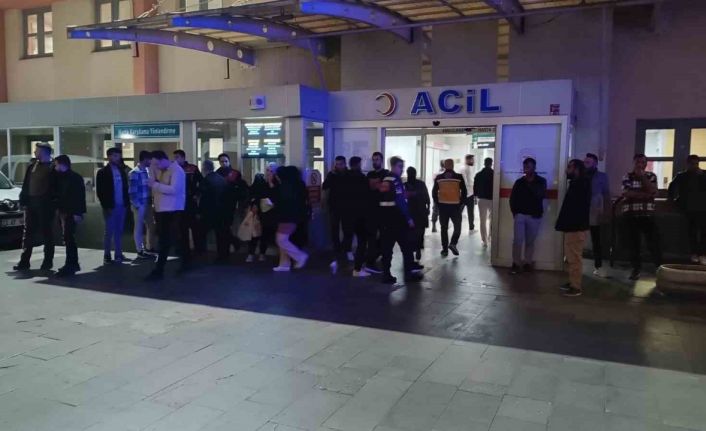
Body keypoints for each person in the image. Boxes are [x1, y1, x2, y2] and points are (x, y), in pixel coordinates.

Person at [379, 157, 423, 284]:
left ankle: (386, 274)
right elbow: (400, 201)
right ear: (393, 166)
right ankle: (409, 274)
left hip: (385, 219)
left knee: (387, 249)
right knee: (407, 247)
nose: (402, 169)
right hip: (397, 219)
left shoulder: (385, 179)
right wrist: (408, 218)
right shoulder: (396, 180)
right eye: (400, 166)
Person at [145, 150, 187, 281]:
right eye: (153, 164)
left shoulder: (177, 171)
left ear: (164, 160)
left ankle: (163, 268)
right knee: (166, 240)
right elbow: (153, 182)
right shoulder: (158, 170)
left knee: (170, 240)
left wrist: (155, 185)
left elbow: (174, 190)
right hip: (161, 210)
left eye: (157, 164)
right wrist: (152, 171)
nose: (155, 166)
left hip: (172, 210)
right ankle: (165, 268)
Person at [14, 142, 56, 271]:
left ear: (44, 152)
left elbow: (55, 188)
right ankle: (24, 261)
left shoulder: (52, 167)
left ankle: (47, 262)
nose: (34, 152)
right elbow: (26, 184)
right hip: (31, 203)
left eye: (37, 151)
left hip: (45, 205)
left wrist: (53, 203)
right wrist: (23, 200)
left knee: (47, 233)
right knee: (28, 233)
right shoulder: (32, 166)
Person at [621, 153, 662, 280]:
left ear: (645, 164)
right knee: (634, 244)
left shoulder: (651, 176)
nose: (640, 164)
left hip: (647, 214)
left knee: (653, 242)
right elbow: (626, 193)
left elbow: (653, 191)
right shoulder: (627, 176)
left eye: (642, 162)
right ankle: (636, 269)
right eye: (637, 162)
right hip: (631, 214)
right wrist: (645, 194)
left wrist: (642, 178)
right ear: (634, 163)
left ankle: (659, 268)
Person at [556, 159, 591, 297]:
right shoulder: (578, 183)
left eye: (569, 167)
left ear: (576, 169)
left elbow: (576, 208)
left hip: (575, 227)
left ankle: (576, 286)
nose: (566, 170)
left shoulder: (581, 184)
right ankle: (572, 282)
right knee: (571, 257)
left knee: (574, 257)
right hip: (573, 226)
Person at [509, 157, 547, 274]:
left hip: (534, 216)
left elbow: (540, 195)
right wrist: (515, 213)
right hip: (520, 215)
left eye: (528, 167)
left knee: (530, 241)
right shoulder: (519, 182)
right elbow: (512, 198)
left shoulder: (541, 181)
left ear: (534, 167)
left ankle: (527, 263)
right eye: (525, 167)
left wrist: (530, 182)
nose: (526, 169)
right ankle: (516, 263)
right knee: (517, 241)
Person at [668, 155, 706, 264]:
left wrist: (703, 176)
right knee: (692, 232)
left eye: (696, 164)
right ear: (687, 164)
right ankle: (694, 253)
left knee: (704, 232)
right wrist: (673, 201)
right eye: (692, 164)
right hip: (689, 208)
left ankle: (703, 254)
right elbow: (671, 188)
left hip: (703, 207)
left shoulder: (704, 174)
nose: (695, 166)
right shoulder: (682, 176)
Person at [52, 155, 86, 277]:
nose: (55, 167)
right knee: (67, 237)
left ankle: (71, 263)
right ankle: (72, 263)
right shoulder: (61, 177)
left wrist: (78, 213)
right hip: (64, 211)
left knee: (69, 237)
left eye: (56, 165)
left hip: (70, 211)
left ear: (62, 165)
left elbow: (79, 197)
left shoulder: (74, 178)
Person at [96, 147, 130, 264]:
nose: (118, 158)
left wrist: (126, 203)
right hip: (110, 206)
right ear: (109, 157)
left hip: (122, 205)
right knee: (109, 231)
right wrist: (106, 206)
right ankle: (107, 255)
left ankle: (118, 254)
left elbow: (125, 188)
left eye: (119, 156)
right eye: (115, 156)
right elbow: (100, 192)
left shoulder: (122, 171)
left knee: (119, 231)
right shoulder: (102, 172)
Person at [272, 166, 309, 271]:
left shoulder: (284, 187)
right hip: (295, 216)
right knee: (283, 240)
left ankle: (299, 256)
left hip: (286, 217)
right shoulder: (298, 185)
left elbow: (281, 202)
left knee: (281, 240)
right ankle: (284, 264)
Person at [432, 159, 467, 257]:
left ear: (444, 166)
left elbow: (434, 192)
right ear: (453, 165)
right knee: (457, 227)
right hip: (455, 206)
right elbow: (464, 191)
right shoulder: (458, 177)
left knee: (444, 228)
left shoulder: (439, 177)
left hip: (443, 207)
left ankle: (444, 250)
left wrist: (438, 203)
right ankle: (453, 243)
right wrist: (461, 203)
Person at [322, 155, 351, 273]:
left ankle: (345, 249)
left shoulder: (349, 175)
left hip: (346, 206)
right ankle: (337, 250)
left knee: (347, 229)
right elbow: (325, 186)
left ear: (345, 164)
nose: (338, 166)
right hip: (334, 206)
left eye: (340, 164)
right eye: (337, 164)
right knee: (334, 229)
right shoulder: (332, 175)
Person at [584, 153, 611, 277]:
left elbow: (606, 194)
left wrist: (606, 211)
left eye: (588, 162)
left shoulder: (602, 176)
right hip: (581, 210)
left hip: (595, 210)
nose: (585, 164)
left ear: (595, 163)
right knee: (577, 237)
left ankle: (598, 265)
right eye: (585, 162)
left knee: (596, 239)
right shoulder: (581, 175)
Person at [216, 153, 249, 254]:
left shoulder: (235, 173)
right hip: (220, 203)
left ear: (229, 161)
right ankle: (232, 242)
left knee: (225, 226)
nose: (224, 163)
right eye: (222, 161)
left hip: (231, 203)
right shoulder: (217, 173)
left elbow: (240, 188)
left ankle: (232, 243)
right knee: (222, 227)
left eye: (226, 161)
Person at [346, 156, 373, 277]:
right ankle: (357, 269)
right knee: (362, 241)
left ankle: (353, 264)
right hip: (360, 214)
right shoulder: (362, 178)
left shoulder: (345, 177)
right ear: (358, 164)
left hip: (348, 214)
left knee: (349, 237)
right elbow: (367, 196)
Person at [363, 152, 389, 274]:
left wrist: (375, 185)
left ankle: (382, 256)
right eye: (373, 160)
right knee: (372, 236)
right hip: (372, 210)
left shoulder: (386, 174)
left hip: (383, 210)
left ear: (381, 160)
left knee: (384, 235)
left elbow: (384, 188)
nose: (375, 162)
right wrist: (377, 184)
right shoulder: (370, 174)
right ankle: (371, 260)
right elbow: (370, 188)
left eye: (377, 159)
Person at [199, 159, 230, 263]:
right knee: (221, 234)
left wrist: (200, 211)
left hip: (210, 211)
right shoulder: (221, 179)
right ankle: (224, 254)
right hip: (222, 210)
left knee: (201, 232)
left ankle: (201, 253)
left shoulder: (206, 180)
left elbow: (204, 198)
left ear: (204, 168)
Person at [173, 150, 203, 253]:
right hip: (178, 202)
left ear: (183, 157)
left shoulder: (192, 168)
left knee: (195, 226)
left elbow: (201, 182)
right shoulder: (173, 169)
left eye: (177, 157)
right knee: (181, 227)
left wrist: (197, 194)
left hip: (190, 201)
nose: (175, 159)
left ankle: (198, 249)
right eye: (174, 157)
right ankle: (183, 249)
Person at [129, 150, 156, 260]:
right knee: (139, 227)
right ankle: (140, 250)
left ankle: (149, 247)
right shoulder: (134, 172)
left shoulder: (147, 171)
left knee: (151, 225)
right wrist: (137, 205)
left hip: (148, 203)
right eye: (149, 160)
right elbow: (132, 191)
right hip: (140, 204)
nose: (151, 162)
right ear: (145, 159)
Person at [405, 166, 430, 261]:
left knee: (410, 232)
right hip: (421, 211)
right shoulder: (421, 184)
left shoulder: (405, 185)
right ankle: (418, 248)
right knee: (420, 232)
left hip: (410, 211)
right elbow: (427, 197)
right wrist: (428, 207)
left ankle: (413, 249)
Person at [245, 173, 269, 263]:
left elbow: (247, 201)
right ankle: (262, 254)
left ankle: (251, 254)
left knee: (253, 236)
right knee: (264, 236)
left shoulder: (251, 189)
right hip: (264, 216)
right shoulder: (266, 189)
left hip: (253, 216)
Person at [474, 157, 494, 247]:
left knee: (482, 220)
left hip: (481, 199)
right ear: (491, 163)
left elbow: (475, 187)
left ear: (484, 163)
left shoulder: (478, 174)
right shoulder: (494, 174)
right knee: (492, 219)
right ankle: (491, 237)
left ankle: (484, 240)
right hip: (492, 199)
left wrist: (475, 197)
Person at [462, 154, 476, 231]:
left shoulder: (469, 168)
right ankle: (457, 225)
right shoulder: (464, 168)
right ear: (468, 160)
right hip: (465, 194)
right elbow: (464, 182)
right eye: (472, 159)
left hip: (470, 193)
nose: (474, 161)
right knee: (460, 211)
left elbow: (470, 181)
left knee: (471, 212)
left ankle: (471, 226)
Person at [431, 160, 445, 233]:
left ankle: (434, 226)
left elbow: (434, 181)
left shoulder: (436, 173)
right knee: (442, 210)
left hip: (438, 193)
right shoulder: (446, 174)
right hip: (443, 194)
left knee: (435, 210)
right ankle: (440, 226)